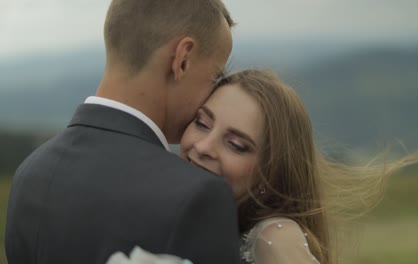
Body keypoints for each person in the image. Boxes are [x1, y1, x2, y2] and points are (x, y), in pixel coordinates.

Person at [5, 1, 241, 263]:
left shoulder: (29, 173)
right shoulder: (198, 198)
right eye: (216, 76)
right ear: (182, 60)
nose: (213, 93)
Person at [178, 69, 418, 264]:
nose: (203, 147)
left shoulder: (274, 237)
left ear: (271, 172)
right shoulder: (208, 221)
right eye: (202, 123)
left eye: (237, 145)